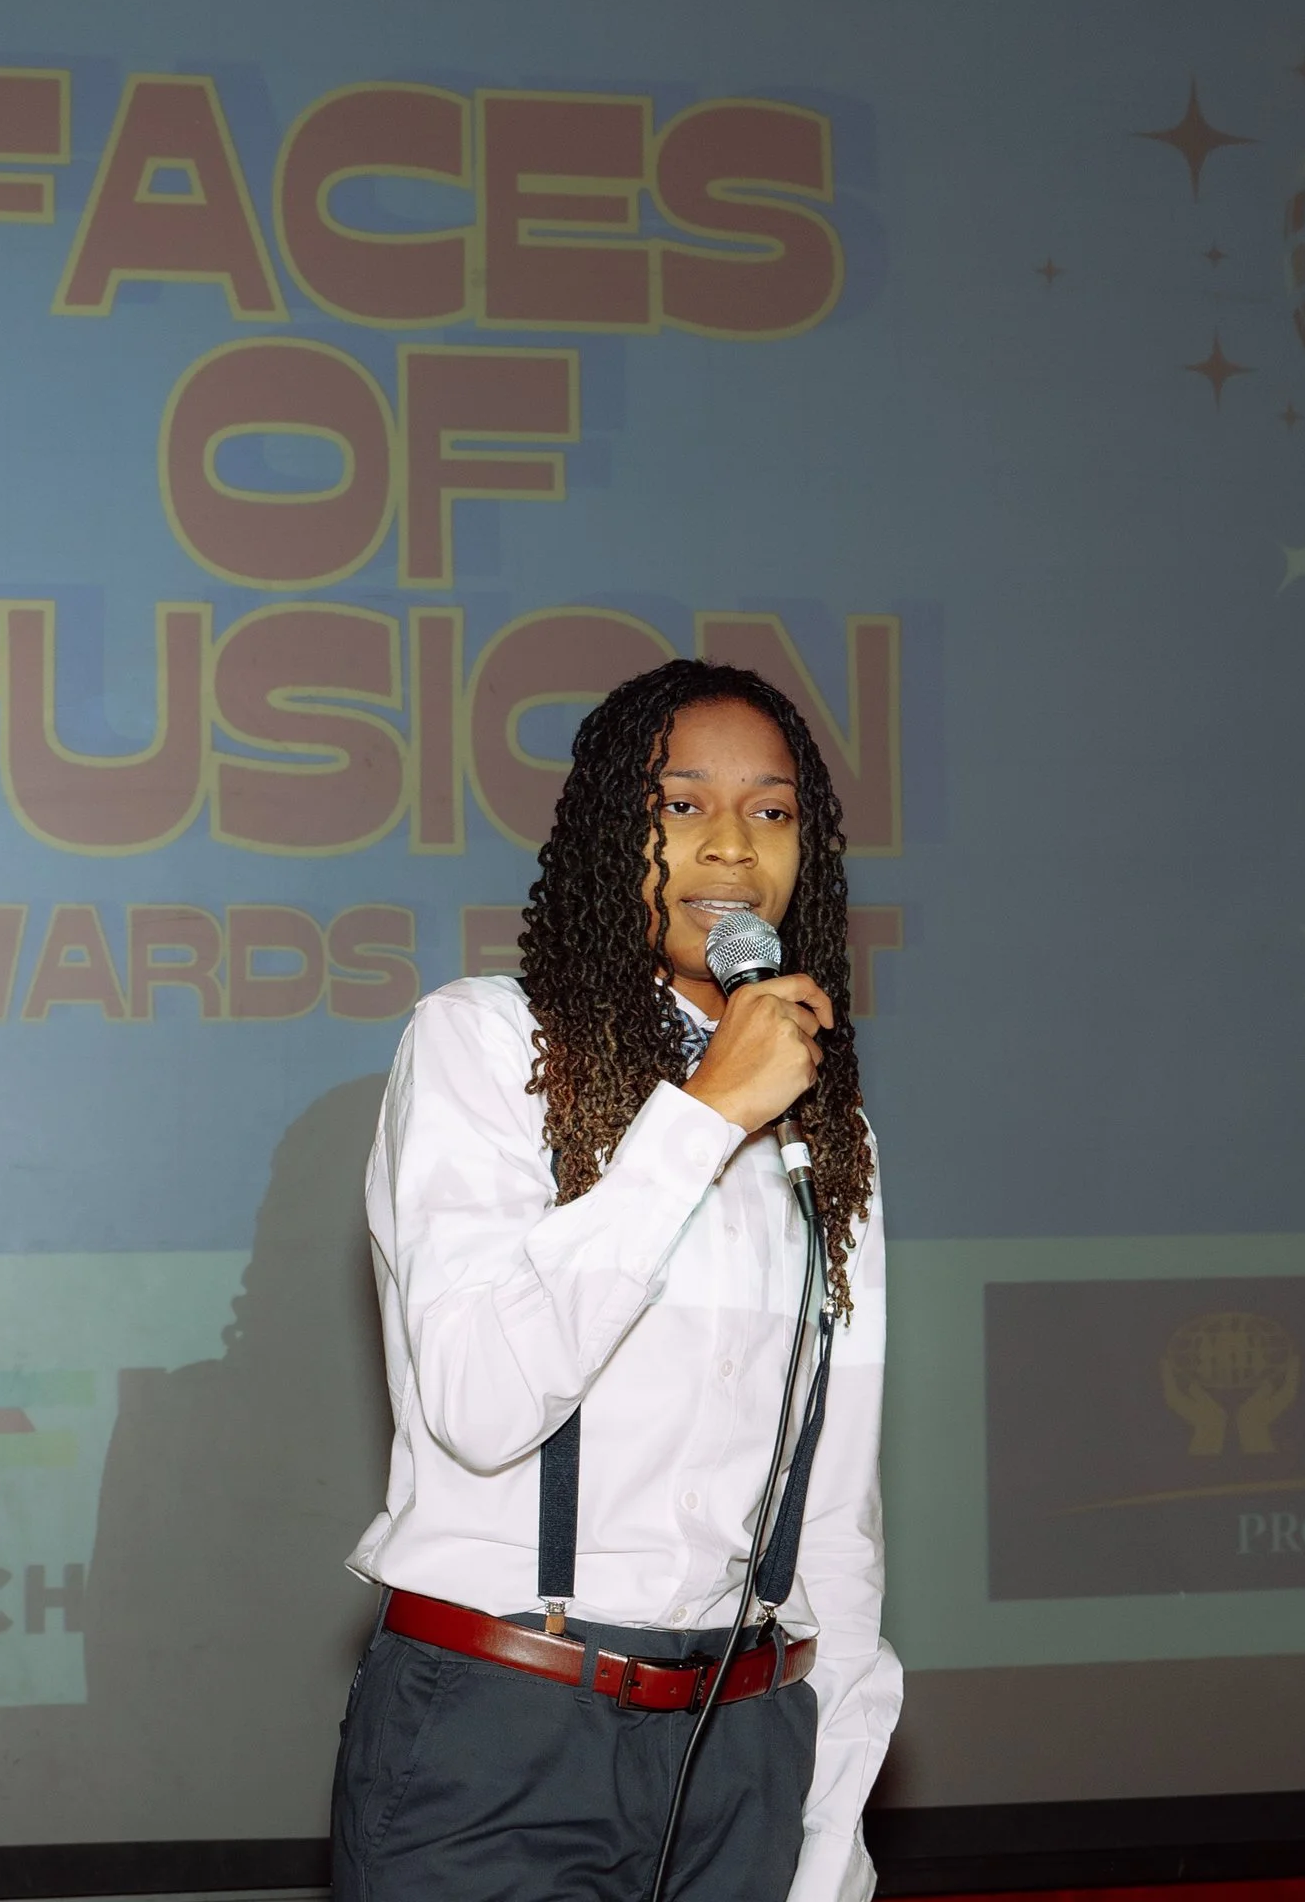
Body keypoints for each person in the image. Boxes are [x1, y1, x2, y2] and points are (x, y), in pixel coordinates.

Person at [332, 660, 901, 1902]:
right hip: (504, 1734)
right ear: (610, 830)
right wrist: (700, 1119)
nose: (731, 849)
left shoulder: (827, 1125)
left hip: (747, 1748)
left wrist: (834, 1817)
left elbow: (837, 1515)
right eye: (682, 804)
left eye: (771, 810)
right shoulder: (486, 1045)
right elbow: (480, 1402)